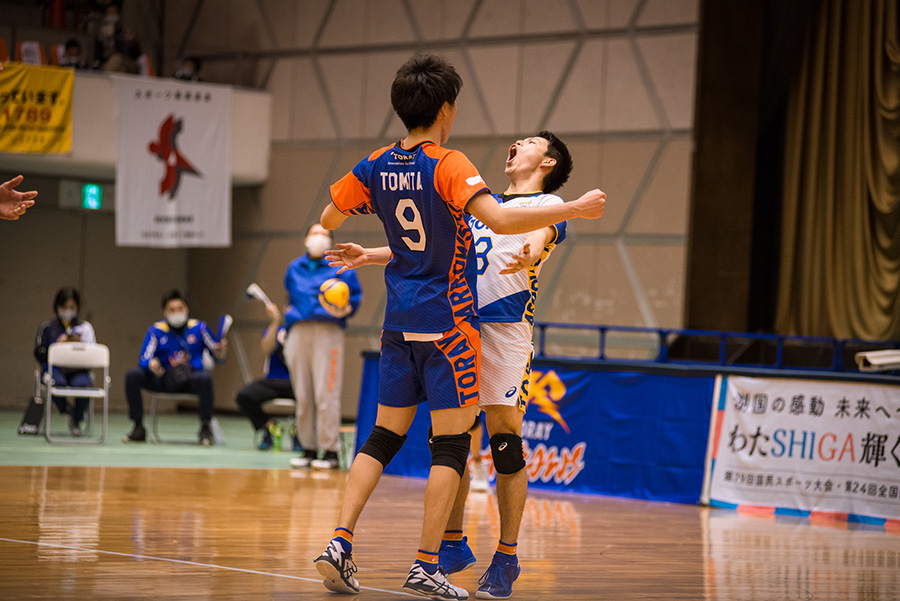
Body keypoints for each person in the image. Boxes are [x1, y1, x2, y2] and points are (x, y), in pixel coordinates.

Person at [312, 53, 604, 601]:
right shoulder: (470, 193)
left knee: (501, 446)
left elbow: (533, 239)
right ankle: (444, 547)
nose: (518, 144)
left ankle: (506, 554)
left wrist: (551, 231)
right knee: (449, 439)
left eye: (533, 142)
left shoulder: (546, 204)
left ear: (549, 163)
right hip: (457, 322)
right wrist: (374, 256)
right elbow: (446, 240)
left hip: (495, 329)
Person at [283, 224, 361, 470]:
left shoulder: (341, 266)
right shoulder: (295, 267)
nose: (318, 238)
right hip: (298, 330)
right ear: (306, 239)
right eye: (314, 234)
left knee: (326, 393)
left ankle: (330, 450)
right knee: (303, 395)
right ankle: (307, 447)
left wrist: (344, 309)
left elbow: (354, 300)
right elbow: (290, 297)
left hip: (328, 331)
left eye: (324, 235)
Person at [122, 289, 227, 445]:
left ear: (187, 309)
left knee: (205, 379)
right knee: (132, 375)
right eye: (172, 310)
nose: (177, 313)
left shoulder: (200, 328)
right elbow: (143, 359)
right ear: (165, 311)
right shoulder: (156, 330)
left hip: (191, 378)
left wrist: (220, 353)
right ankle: (138, 428)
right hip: (164, 378)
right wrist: (152, 365)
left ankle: (205, 429)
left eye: (180, 309)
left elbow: (217, 356)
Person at [234, 302, 300, 451]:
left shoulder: (305, 333)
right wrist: (275, 322)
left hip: (297, 381)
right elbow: (266, 348)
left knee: (313, 397)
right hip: (273, 381)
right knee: (244, 396)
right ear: (284, 309)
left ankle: (300, 432)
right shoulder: (278, 329)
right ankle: (269, 426)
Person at [34, 287, 97, 436]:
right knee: (56, 383)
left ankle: (76, 420)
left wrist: (80, 345)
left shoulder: (85, 328)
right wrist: (57, 345)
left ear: (77, 307)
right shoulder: (47, 328)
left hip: (78, 369)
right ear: (57, 307)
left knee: (84, 385)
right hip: (55, 369)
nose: (68, 311)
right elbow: (39, 353)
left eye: (72, 307)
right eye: (64, 307)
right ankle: (68, 410)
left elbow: (93, 354)